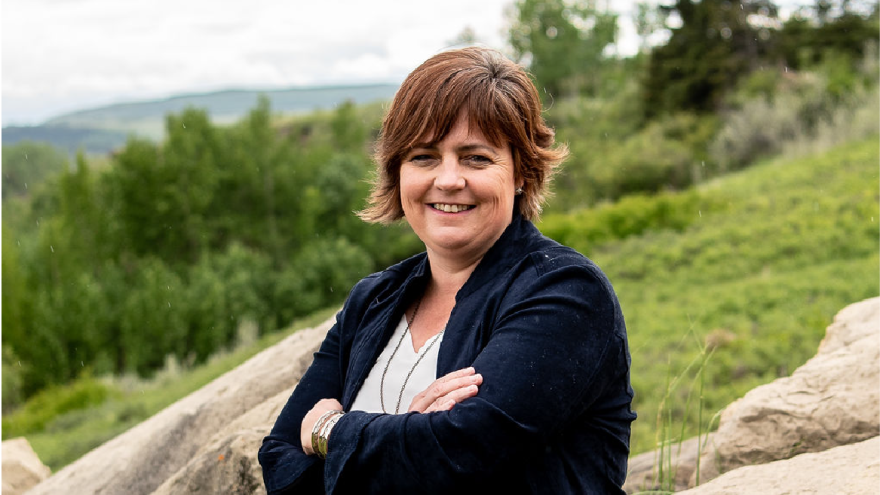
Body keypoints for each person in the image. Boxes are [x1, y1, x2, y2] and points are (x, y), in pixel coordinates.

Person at [259, 46, 636, 494]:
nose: (449, 179)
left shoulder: (566, 292)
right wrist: (408, 436)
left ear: (520, 172)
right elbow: (279, 456)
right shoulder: (372, 300)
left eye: (476, 158)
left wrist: (331, 433)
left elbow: (460, 454)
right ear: (397, 172)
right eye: (424, 157)